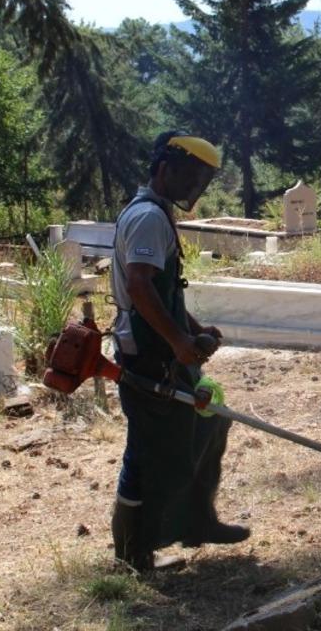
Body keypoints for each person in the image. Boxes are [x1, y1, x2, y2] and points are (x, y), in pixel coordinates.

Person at [110, 131, 249, 571]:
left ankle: (197, 522)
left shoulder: (157, 213)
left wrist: (192, 329)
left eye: (201, 181)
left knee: (209, 425)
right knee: (150, 451)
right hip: (148, 357)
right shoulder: (148, 217)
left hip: (165, 353)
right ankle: (133, 553)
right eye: (189, 176)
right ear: (164, 169)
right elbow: (139, 286)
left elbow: (163, 291)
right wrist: (178, 342)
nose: (194, 188)